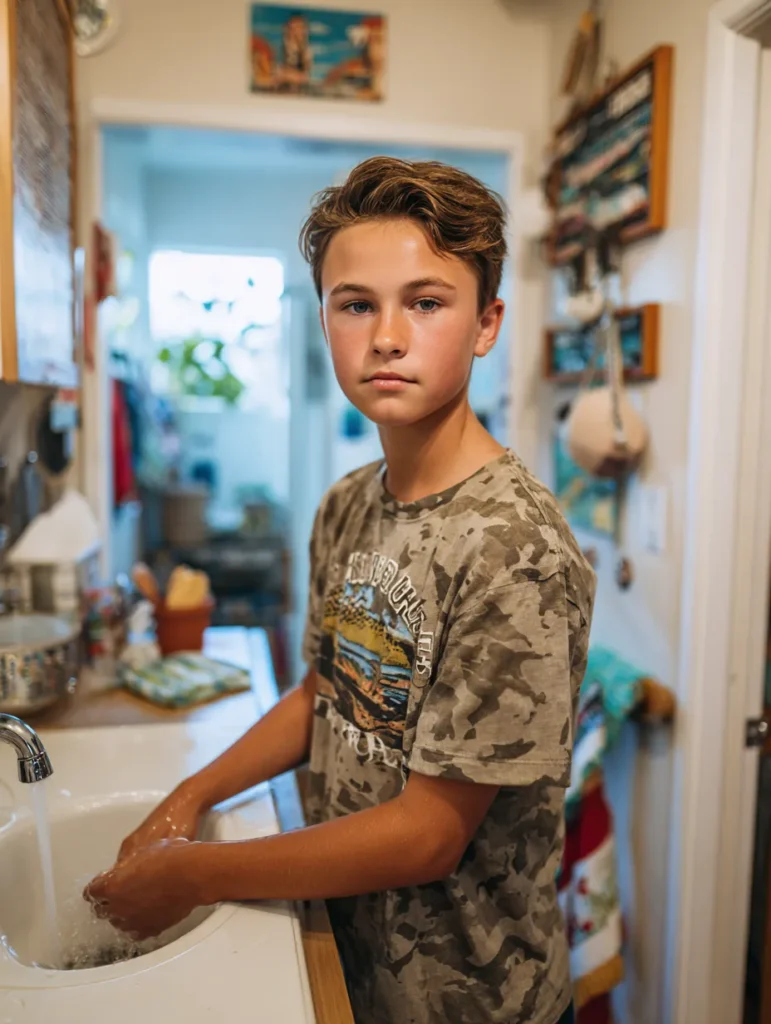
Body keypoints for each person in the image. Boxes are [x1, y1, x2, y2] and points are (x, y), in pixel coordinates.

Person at [85, 158, 595, 1024]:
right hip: (345, 953)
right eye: (355, 303)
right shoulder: (348, 503)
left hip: (468, 995)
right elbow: (326, 693)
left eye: (426, 303)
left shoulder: (516, 548)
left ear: (485, 324)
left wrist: (195, 872)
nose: (386, 336)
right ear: (323, 319)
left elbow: (430, 833)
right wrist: (189, 797)